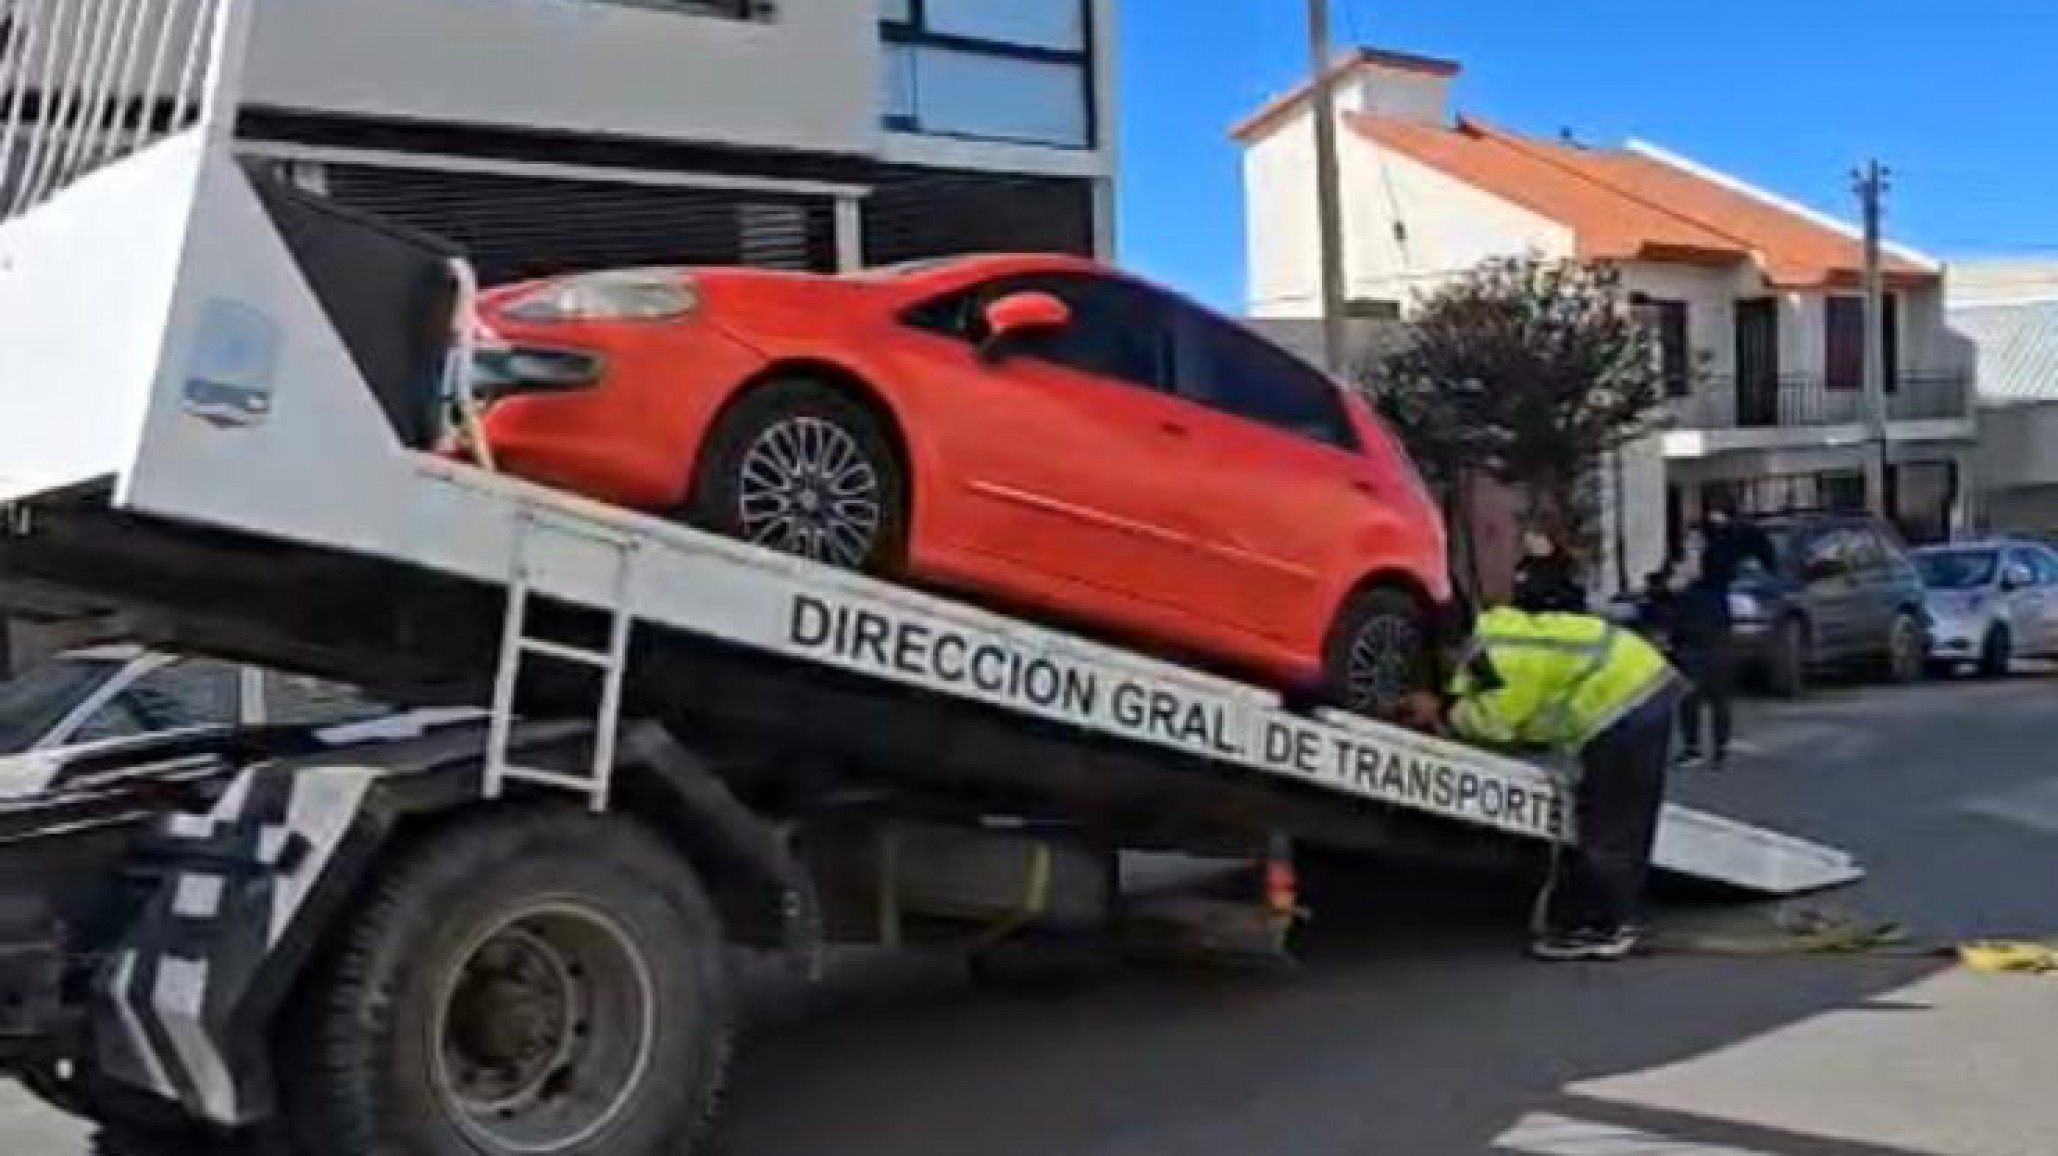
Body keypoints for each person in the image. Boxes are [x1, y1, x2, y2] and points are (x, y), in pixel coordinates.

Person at [1397, 604, 1681, 962]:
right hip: (1636, 684)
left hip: (1626, 701)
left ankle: (1601, 929)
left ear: (1450, 647)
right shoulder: (1491, 634)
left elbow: (1495, 724)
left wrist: (1441, 711)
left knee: (1609, 824)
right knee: (1619, 817)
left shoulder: (1502, 660)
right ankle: (1611, 919)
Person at [1668, 535, 1737, 769]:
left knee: (1716, 699)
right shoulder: (1687, 579)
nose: (1691, 550)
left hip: (1710, 639)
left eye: (1695, 545)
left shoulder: (1714, 572)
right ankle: (1695, 748)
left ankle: (1718, 750)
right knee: (1690, 698)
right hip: (1695, 641)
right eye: (1689, 545)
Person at [1512, 528, 1588, 614]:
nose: (1530, 543)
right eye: (1527, 540)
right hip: (1530, 615)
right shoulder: (1524, 565)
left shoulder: (1566, 563)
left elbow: (1573, 594)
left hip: (1559, 614)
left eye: (1536, 537)